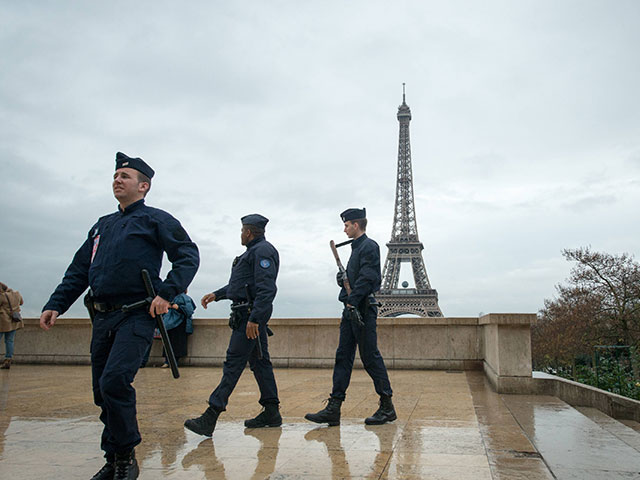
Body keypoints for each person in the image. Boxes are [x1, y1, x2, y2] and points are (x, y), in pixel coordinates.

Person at [39, 152, 199, 480]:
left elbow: (187, 255)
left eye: (125, 176)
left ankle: (126, 457)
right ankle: (112, 458)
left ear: (144, 186)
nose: (117, 179)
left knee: (115, 380)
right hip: (102, 317)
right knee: (102, 390)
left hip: (137, 315)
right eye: (116, 175)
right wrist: (56, 303)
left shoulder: (156, 220)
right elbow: (79, 270)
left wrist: (167, 293)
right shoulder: (102, 226)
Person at [184, 214, 280, 437]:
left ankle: (211, 414)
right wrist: (216, 295)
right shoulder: (253, 253)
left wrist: (255, 319)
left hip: (248, 318)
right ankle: (272, 411)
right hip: (246, 314)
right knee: (260, 363)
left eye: (241, 231)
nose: (240, 235)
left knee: (233, 364)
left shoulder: (262, 251)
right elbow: (240, 286)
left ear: (248, 232)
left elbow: (267, 289)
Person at [305, 208, 396, 426]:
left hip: (362, 309)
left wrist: (352, 301)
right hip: (352, 308)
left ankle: (387, 407)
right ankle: (334, 408)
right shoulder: (356, 249)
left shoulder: (369, 246)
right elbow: (357, 279)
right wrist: (342, 280)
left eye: (347, 225)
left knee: (370, 357)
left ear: (356, 225)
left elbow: (369, 278)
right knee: (342, 357)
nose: (344, 229)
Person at [140, 291, 195, 368]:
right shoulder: (184, 298)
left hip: (177, 325)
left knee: (174, 344)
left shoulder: (182, 298)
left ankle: (169, 362)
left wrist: (176, 307)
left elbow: (189, 311)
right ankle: (169, 362)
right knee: (170, 344)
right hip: (171, 324)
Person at [0, 282, 24, 370]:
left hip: (3, 321)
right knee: (9, 341)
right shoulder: (17, 294)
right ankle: (8, 359)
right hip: (14, 321)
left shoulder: (2, 296)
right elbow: (21, 302)